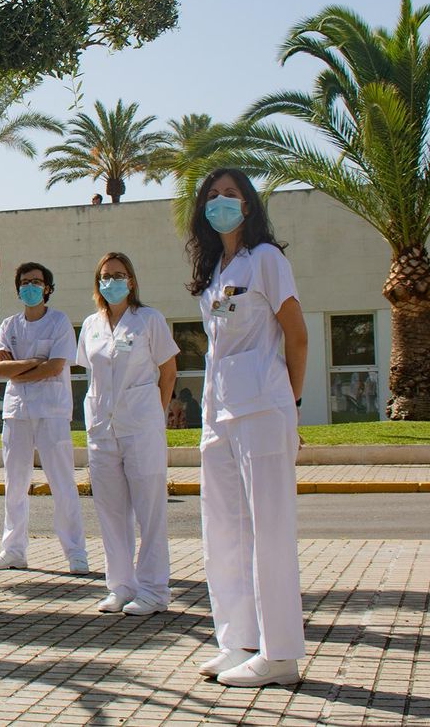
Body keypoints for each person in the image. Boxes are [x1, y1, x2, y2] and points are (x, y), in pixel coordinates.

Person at [187, 167, 309, 687]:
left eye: (230, 195)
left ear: (249, 204)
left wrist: (292, 402)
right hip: (219, 416)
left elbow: (297, 336)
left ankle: (280, 654)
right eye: (211, 197)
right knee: (223, 532)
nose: (220, 203)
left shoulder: (266, 260)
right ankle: (238, 640)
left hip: (262, 409)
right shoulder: (216, 270)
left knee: (270, 531)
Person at [74, 253, 179, 617]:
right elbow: (92, 374)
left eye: (119, 275)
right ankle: (120, 586)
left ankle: (153, 591)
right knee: (110, 511)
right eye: (105, 276)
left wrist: (156, 413)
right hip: (102, 430)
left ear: (131, 281)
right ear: (97, 282)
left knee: (150, 510)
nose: (112, 281)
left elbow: (168, 371)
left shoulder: (149, 320)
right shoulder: (91, 325)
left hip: (142, 428)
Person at [0, 263, 88, 574]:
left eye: (37, 282)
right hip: (16, 412)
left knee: (62, 483)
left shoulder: (59, 323)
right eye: (25, 282)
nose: (31, 287)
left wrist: (20, 369)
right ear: (18, 289)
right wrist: (33, 363)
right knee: (14, 485)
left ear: (47, 287)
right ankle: (13, 550)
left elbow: (55, 366)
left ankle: (76, 553)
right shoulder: (9, 325)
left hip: (52, 412)